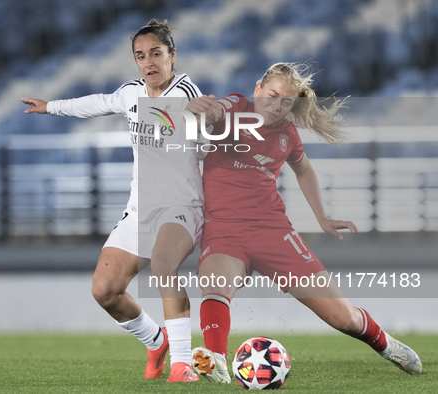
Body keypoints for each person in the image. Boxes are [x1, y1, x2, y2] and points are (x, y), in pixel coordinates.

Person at [184, 62, 423, 384]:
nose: (277, 105)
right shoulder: (234, 107)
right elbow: (211, 114)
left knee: (344, 319)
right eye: (272, 95)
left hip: (272, 232)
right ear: (258, 89)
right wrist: (200, 111)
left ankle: (385, 343)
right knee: (214, 285)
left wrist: (321, 217)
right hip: (223, 230)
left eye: (286, 102)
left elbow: (304, 170)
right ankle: (215, 359)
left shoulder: (286, 134)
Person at [21, 19, 204, 382]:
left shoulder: (187, 96)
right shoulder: (132, 92)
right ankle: (156, 340)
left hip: (182, 207)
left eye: (156, 54)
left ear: (172, 56)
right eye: (140, 56)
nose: (149, 63)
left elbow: (211, 143)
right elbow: (101, 102)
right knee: (105, 290)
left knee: (165, 267)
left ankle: (184, 364)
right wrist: (51, 106)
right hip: (141, 209)